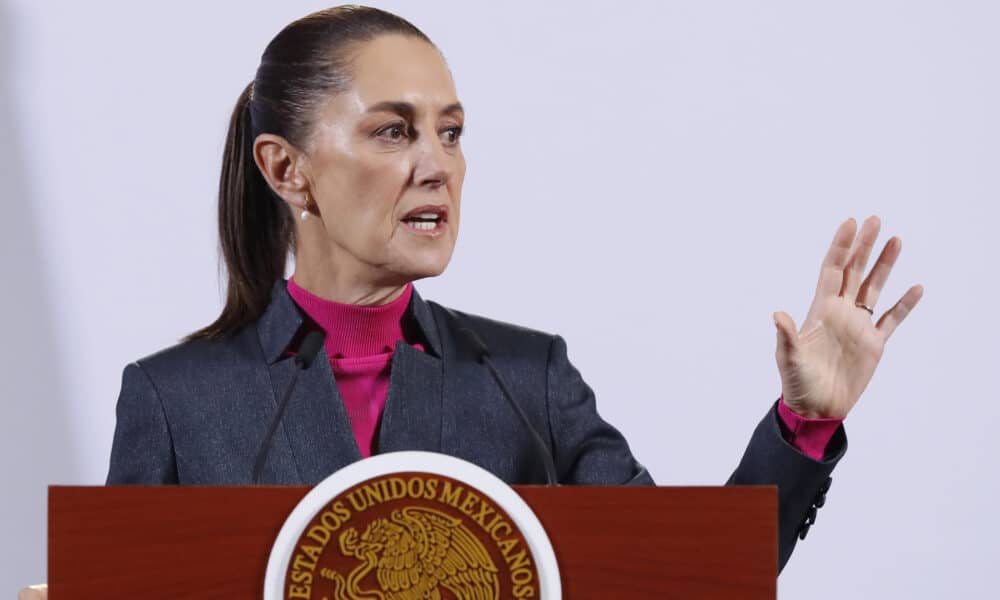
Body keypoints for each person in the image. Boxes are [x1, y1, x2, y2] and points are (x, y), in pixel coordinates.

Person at [22, 6, 924, 596]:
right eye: (393, 130)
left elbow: (696, 579)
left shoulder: (526, 380)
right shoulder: (175, 399)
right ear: (285, 168)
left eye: (450, 133)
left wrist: (804, 424)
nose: (436, 164)